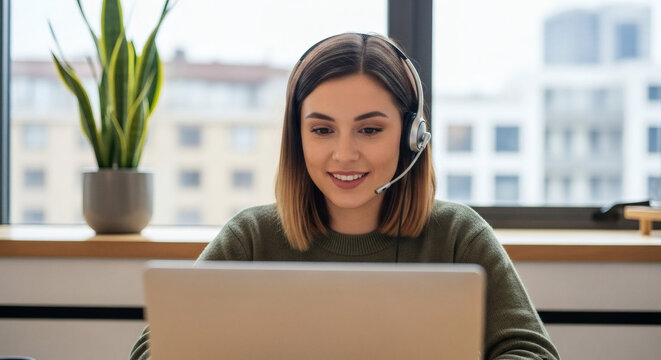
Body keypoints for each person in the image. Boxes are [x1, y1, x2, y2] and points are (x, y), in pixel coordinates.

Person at [130, 32, 559, 360]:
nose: (344, 154)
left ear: (413, 136)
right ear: (297, 139)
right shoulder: (251, 237)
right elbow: (153, 350)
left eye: (370, 129)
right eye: (321, 130)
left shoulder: (457, 236)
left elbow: (531, 351)